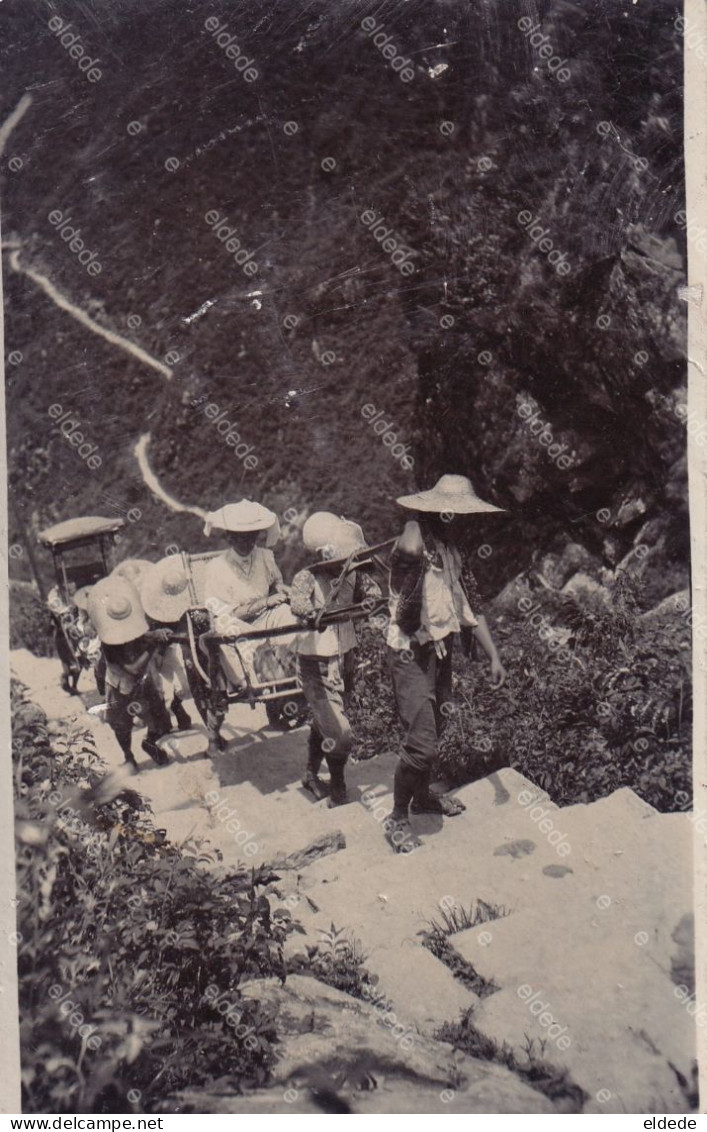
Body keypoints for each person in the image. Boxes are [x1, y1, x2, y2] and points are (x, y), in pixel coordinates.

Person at [384, 474, 507, 853]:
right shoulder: (413, 541)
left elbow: (471, 605)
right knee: (422, 743)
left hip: (440, 650)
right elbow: (405, 556)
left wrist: (494, 656)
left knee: (437, 723)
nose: (462, 520)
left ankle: (421, 797)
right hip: (409, 651)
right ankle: (397, 817)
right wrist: (416, 520)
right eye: (454, 513)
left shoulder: (453, 553)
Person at [290, 512, 380, 807]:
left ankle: (310, 773)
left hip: (345, 656)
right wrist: (312, 615)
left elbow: (373, 594)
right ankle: (338, 782)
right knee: (340, 732)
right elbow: (299, 604)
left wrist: (371, 604)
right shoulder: (306, 578)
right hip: (316, 661)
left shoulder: (353, 573)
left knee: (326, 722)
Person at [202, 500, 299, 756]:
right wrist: (264, 602)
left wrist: (282, 591)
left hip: (263, 620)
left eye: (252, 536)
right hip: (235, 624)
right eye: (240, 537)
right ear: (229, 537)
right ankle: (248, 683)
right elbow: (223, 613)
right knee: (223, 630)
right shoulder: (215, 569)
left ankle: (283, 673)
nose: (247, 542)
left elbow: (276, 583)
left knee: (287, 614)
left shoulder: (266, 556)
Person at [87, 575, 173, 770]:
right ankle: (128, 757)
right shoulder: (109, 644)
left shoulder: (132, 627)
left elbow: (142, 636)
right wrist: (153, 648)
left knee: (161, 720)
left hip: (142, 682)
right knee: (121, 725)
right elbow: (132, 669)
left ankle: (150, 742)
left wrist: (156, 634)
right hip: (119, 685)